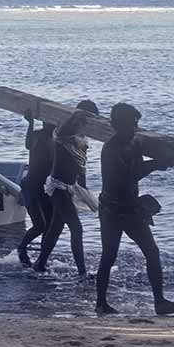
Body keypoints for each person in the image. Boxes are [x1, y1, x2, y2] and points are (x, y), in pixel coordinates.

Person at [95, 102, 174, 316]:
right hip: (111, 209)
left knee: (152, 252)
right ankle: (101, 303)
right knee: (109, 255)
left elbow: (157, 148)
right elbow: (127, 176)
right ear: (117, 125)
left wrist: (166, 154)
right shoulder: (111, 150)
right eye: (129, 125)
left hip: (131, 207)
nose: (133, 129)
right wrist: (155, 164)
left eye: (135, 124)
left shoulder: (136, 142)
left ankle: (160, 302)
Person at [32, 101, 100, 275]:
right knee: (76, 229)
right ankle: (82, 272)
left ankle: (40, 263)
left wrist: (83, 189)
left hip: (70, 187)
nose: (87, 124)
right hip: (58, 187)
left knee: (56, 227)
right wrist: (80, 113)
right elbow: (72, 120)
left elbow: (81, 164)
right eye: (86, 120)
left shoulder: (81, 137)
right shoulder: (64, 133)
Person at [16, 109, 56, 267]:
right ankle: (22, 248)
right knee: (40, 225)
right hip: (31, 185)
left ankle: (42, 258)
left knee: (50, 225)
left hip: (47, 187)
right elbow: (28, 144)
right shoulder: (38, 136)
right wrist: (31, 123)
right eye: (47, 121)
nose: (50, 125)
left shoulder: (56, 139)